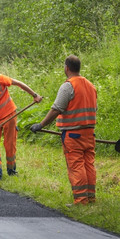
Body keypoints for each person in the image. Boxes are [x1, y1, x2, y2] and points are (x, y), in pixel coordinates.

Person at [30, 55, 97, 206]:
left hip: (73, 135)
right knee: (89, 165)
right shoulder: (91, 85)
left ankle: (80, 200)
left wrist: (41, 125)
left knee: (76, 165)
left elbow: (56, 109)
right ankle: (90, 198)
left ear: (66, 68)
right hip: (89, 133)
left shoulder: (68, 86)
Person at [0, 65, 42, 184]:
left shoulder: (0, 79)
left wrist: (34, 95)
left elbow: (19, 83)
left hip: (9, 115)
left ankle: (11, 171)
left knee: (9, 143)